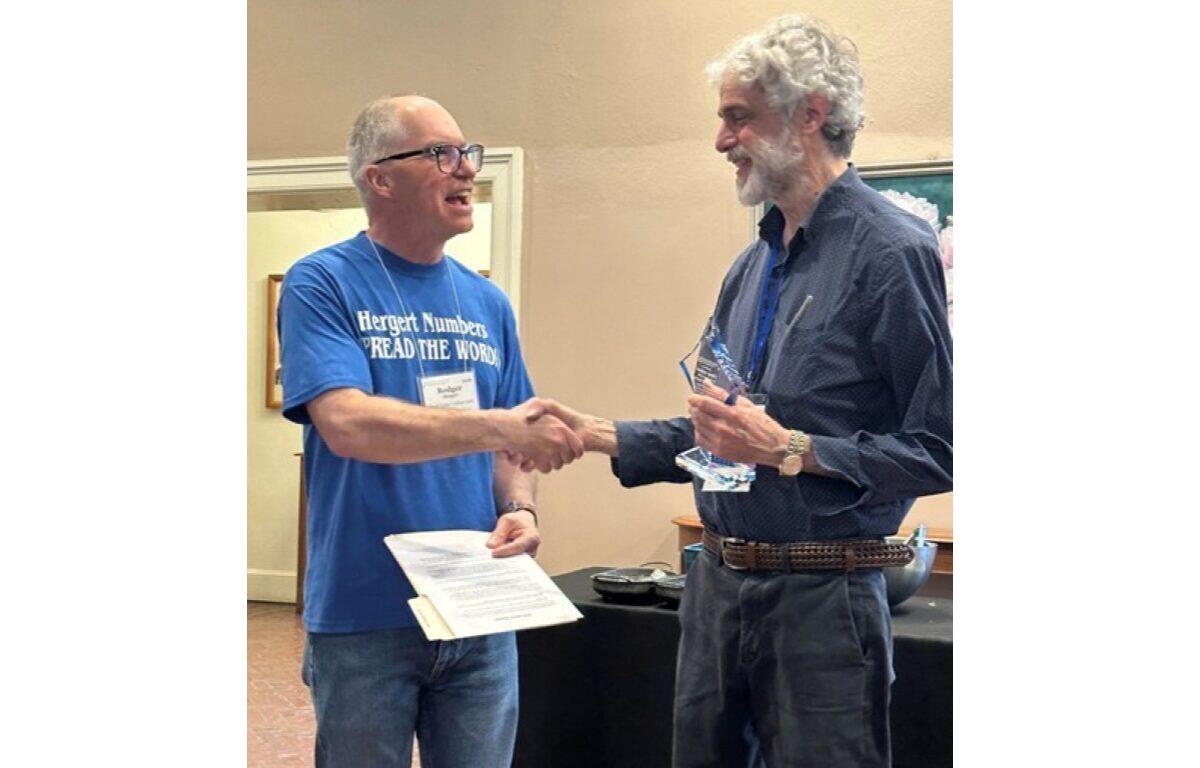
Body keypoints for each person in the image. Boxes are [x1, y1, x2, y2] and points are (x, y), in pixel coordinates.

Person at [532, 15, 952, 768]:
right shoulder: (749, 269)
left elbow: (938, 451)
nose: (721, 140)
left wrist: (792, 449)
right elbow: (721, 438)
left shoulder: (893, 253)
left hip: (826, 602)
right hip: (717, 588)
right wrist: (599, 433)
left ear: (810, 114)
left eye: (737, 117)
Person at [277, 94, 583, 767]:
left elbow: (515, 445)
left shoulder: (486, 301)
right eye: (441, 154)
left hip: (478, 606)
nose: (466, 170)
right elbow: (348, 424)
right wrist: (497, 425)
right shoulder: (321, 283)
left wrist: (521, 508)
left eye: (466, 154)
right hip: (366, 616)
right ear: (380, 177)